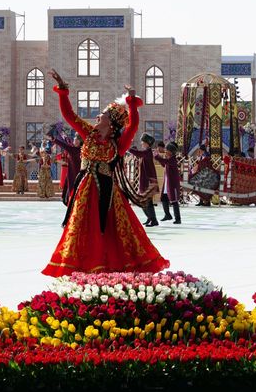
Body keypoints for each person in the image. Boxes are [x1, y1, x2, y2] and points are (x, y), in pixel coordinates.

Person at [42, 69, 168, 276]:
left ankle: (107, 264)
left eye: (104, 114)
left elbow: (133, 125)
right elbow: (69, 116)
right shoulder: (88, 133)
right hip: (84, 187)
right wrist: (63, 90)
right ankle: (80, 264)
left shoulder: (118, 144)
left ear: (111, 122)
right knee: (81, 226)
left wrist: (132, 101)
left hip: (107, 190)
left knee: (111, 228)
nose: (99, 115)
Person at [129, 134, 160, 227]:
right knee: (143, 201)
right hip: (145, 180)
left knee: (147, 202)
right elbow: (139, 154)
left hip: (148, 181)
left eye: (143, 141)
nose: (141, 143)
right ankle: (150, 218)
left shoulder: (147, 152)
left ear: (147, 143)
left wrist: (128, 148)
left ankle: (153, 220)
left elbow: (138, 154)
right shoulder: (146, 152)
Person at [48, 132, 82, 206]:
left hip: (73, 175)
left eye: (75, 139)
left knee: (71, 195)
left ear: (78, 141)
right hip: (78, 175)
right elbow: (67, 141)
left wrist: (54, 139)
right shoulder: (82, 150)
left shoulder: (73, 150)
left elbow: (64, 145)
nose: (73, 140)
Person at [155, 142, 182, 224]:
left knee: (174, 201)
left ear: (171, 151)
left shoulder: (173, 159)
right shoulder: (169, 159)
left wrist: (157, 156)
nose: (166, 151)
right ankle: (167, 215)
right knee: (163, 198)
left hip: (172, 184)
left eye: (167, 150)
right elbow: (164, 164)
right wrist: (159, 157)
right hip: (167, 183)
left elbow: (164, 161)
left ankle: (178, 219)